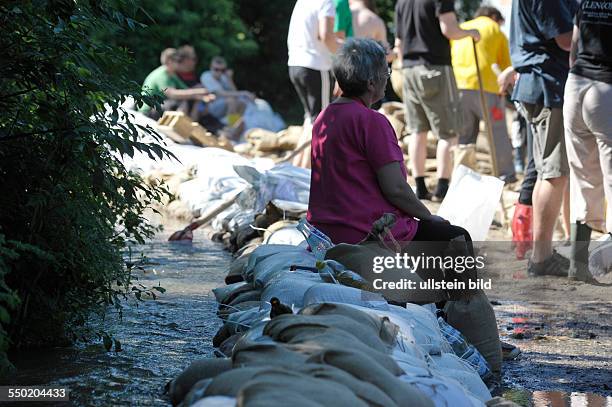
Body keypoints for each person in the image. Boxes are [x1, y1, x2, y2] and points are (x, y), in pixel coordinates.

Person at [509, 0, 577, 276]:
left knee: (544, 172)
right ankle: (542, 256)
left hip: (538, 83)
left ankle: (542, 253)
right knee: (554, 173)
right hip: (548, 83)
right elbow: (566, 39)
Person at [394, 0, 480, 202]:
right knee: (448, 133)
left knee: (417, 131)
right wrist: (470, 32)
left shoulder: (402, 3)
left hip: (408, 69)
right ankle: (442, 187)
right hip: (436, 68)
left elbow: (399, 43)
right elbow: (448, 29)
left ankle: (420, 187)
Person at [563, 0, 612, 282]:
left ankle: (577, 264)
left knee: (582, 174)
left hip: (577, 85)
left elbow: (573, 49)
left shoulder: (584, 2)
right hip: (606, 88)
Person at [451, 6, 516, 183]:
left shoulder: (462, 27)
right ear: (494, 17)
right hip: (487, 88)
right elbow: (506, 66)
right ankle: (505, 174)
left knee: (464, 136)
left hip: (459, 85)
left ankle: (462, 175)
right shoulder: (495, 30)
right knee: (497, 133)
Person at [287, 0, 341, 168]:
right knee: (322, 122)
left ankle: (299, 168)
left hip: (295, 63)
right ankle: (315, 172)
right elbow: (326, 37)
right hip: (316, 65)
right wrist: (349, 51)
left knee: (310, 120)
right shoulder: (326, 2)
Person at [140, 49, 214, 120]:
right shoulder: (161, 74)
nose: (180, 63)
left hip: (159, 107)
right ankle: (178, 129)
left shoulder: (172, 74)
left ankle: (185, 128)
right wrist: (200, 92)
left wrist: (202, 96)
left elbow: (186, 90)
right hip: (148, 111)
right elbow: (172, 94)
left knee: (189, 101)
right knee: (182, 102)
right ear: (169, 61)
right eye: (178, 61)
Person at [200, 56, 255, 124]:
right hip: (209, 107)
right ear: (211, 67)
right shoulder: (206, 76)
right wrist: (244, 93)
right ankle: (230, 127)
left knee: (242, 102)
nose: (219, 72)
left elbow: (235, 92)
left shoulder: (224, 77)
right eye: (216, 69)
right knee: (231, 100)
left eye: (222, 70)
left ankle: (235, 125)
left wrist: (230, 79)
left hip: (223, 106)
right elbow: (220, 93)